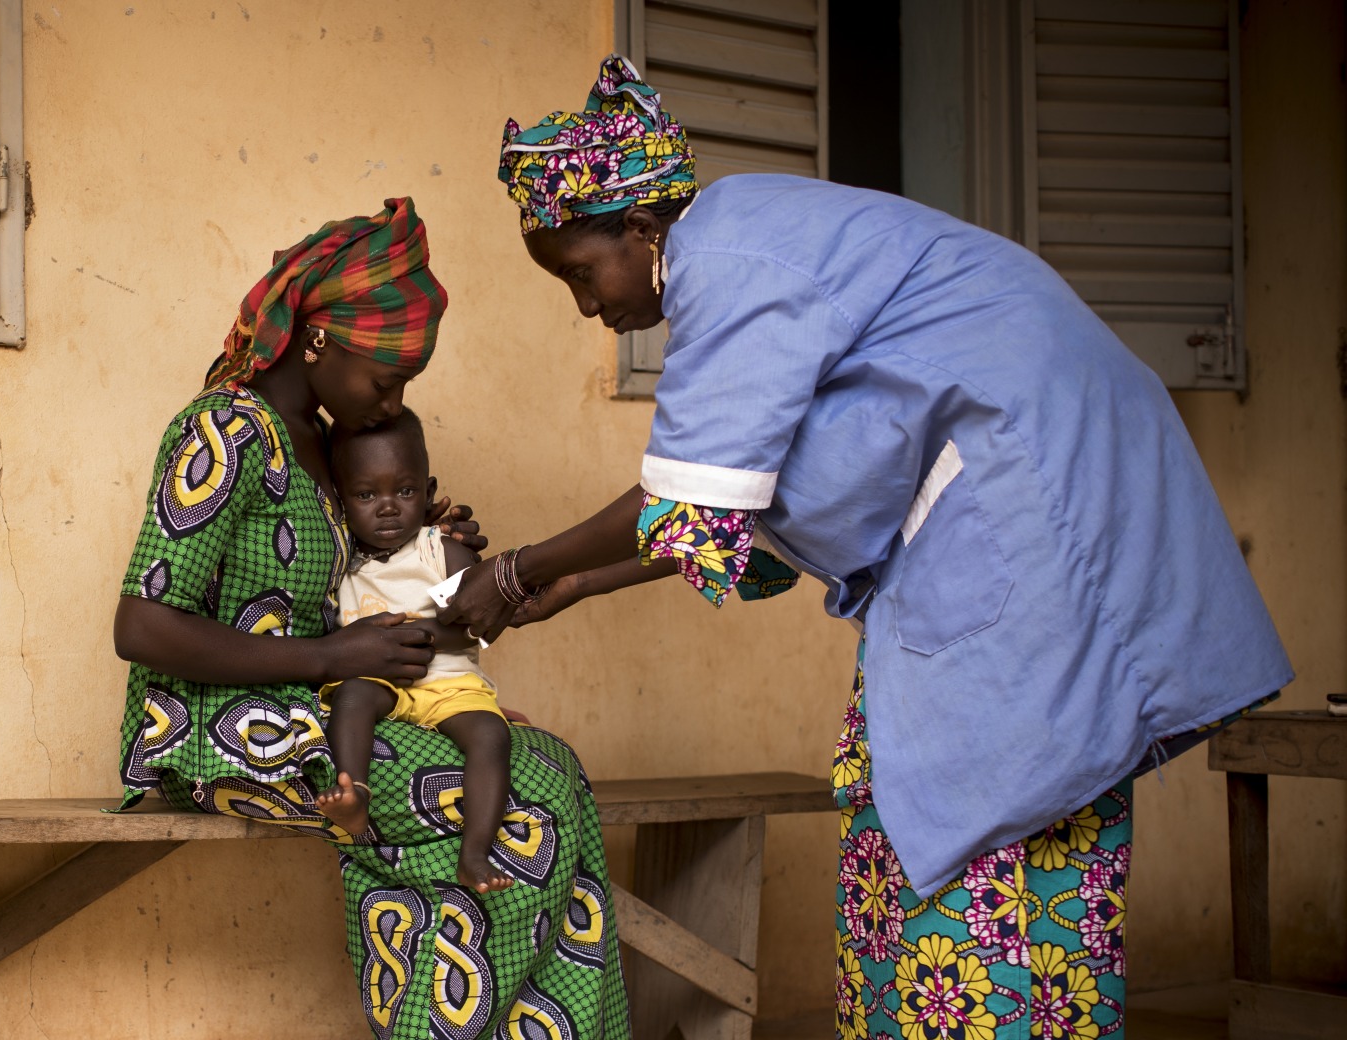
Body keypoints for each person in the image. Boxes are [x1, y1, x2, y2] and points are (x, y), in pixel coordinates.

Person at [441, 57, 1292, 1040]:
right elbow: (741, 505)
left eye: (582, 276)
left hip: (1031, 517)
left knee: (999, 812)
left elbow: (688, 493)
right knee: (919, 793)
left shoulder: (732, 258)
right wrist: (575, 583)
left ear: (640, 231)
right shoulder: (754, 241)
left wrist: (515, 571)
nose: (589, 308)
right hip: (1005, 516)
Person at [112, 197, 628, 1039]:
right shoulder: (226, 431)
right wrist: (327, 656)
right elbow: (139, 627)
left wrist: (431, 559)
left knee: (554, 770)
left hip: (328, 706)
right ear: (319, 341)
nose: (392, 404)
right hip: (213, 724)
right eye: (387, 379)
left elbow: (354, 603)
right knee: (510, 806)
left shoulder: (323, 445)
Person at [312, 409, 514, 894]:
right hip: (379, 683)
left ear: (427, 494)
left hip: (447, 683)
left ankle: (475, 854)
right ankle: (353, 793)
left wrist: (411, 637)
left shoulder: (441, 551)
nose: (386, 508)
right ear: (340, 500)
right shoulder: (340, 559)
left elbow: (473, 627)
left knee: (490, 734)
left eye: (403, 492)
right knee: (352, 697)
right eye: (365, 494)